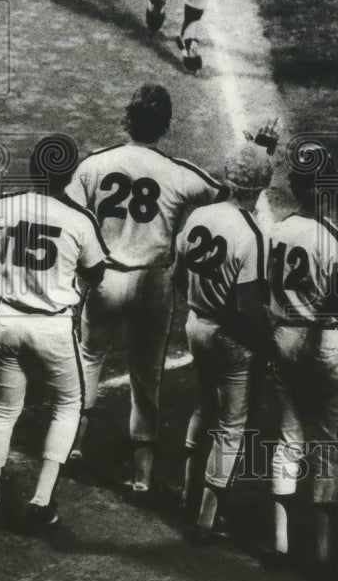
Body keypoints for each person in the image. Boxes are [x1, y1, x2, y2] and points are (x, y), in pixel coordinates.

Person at [65, 84, 227, 501]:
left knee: (88, 360)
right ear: (165, 125)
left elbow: (70, 214)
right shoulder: (177, 171)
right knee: (146, 375)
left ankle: (71, 447)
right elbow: (223, 195)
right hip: (152, 285)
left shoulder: (95, 165)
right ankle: (142, 474)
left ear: (128, 118)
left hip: (103, 280)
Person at [0, 135, 108, 539]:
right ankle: (41, 500)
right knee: (69, 404)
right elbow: (97, 273)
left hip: (8, 321)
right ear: (68, 176)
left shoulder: (3, 207)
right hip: (52, 327)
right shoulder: (79, 219)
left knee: (1, 411)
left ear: (33, 168)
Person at [173, 141, 273, 543]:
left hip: (195, 325)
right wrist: (265, 345)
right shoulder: (252, 234)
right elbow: (248, 307)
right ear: (261, 187)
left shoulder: (200, 215)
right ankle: (207, 519)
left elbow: (178, 275)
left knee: (203, 403)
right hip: (230, 338)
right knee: (232, 425)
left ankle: (185, 493)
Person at [267, 143, 338, 571]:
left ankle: (281, 543)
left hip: (282, 336)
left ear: (297, 185)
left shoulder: (276, 232)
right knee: (326, 443)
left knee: (288, 436)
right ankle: (323, 552)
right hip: (323, 342)